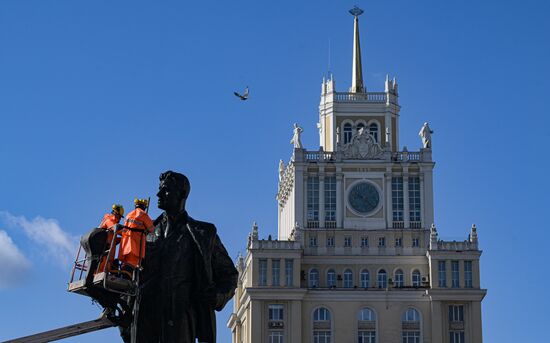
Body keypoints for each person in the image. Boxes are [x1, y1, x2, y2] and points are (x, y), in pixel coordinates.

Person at [123, 171, 238, 343]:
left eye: (166, 190)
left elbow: (229, 275)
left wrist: (217, 296)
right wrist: (124, 320)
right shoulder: (144, 234)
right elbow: (128, 274)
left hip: (181, 319)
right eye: (160, 190)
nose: (158, 195)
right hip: (146, 319)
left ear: (182, 194)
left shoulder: (203, 234)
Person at [118, 199, 154, 273]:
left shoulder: (128, 215)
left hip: (125, 243)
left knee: (126, 262)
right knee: (132, 263)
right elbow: (152, 229)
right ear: (144, 207)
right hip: (136, 243)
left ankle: (122, 274)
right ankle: (127, 277)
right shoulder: (143, 214)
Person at [96, 204, 124, 274]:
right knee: (100, 269)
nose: (120, 219)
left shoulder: (110, 221)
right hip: (103, 251)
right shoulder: (109, 220)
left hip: (106, 251)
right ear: (115, 214)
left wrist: (121, 239)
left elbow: (112, 239)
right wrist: (129, 233)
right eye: (120, 217)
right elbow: (116, 229)